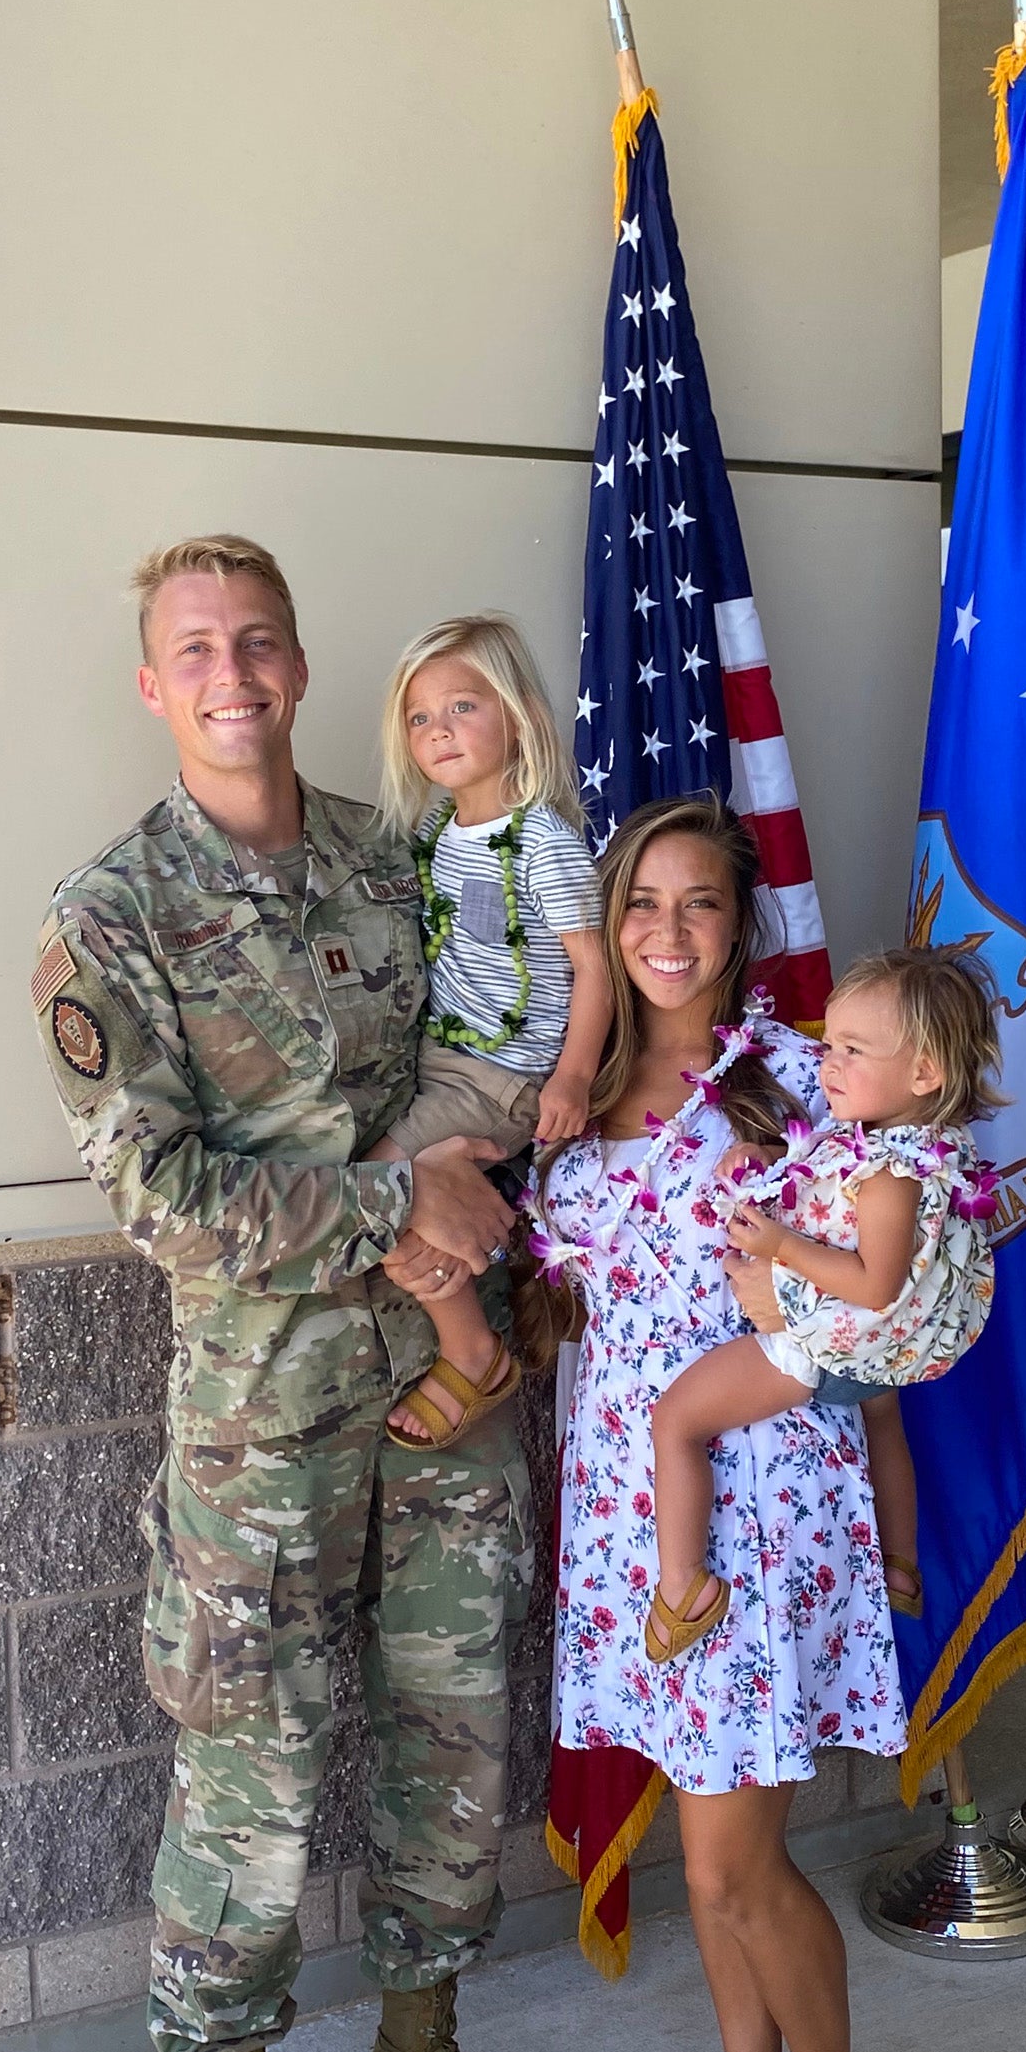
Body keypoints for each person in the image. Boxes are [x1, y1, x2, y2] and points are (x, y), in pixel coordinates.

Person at [32, 535, 576, 2052]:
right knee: (251, 1769)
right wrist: (389, 1204)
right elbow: (157, 1194)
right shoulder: (104, 915)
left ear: (300, 660)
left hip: (448, 1383)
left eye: (258, 639)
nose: (234, 673)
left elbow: (474, 1071)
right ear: (153, 682)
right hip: (265, 1420)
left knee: (454, 1732)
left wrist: (481, 1206)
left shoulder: (389, 854)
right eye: (195, 647)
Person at [529, 796, 903, 2052]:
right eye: (640, 904)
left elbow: (896, 1285)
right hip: (632, 1504)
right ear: (607, 928)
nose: (668, 932)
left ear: (742, 928)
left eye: (699, 904)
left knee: (731, 1859)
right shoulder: (567, 1098)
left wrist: (892, 1483)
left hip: (763, 1503)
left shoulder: (807, 1084)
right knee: (703, 1854)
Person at [646, 946, 1001, 1658]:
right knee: (882, 1420)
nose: (827, 1063)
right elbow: (825, 1177)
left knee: (676, 1420)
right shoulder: (896, 1143)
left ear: (924, 1071)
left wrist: (779, 1247)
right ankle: (899, 1564)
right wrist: (770, 1161)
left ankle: (683, 1586)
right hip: (876, 1359)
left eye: (851, 1049)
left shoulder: (893, 1176)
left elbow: (874, 1282)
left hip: (819, 1345)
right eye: (830, 1044)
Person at [369, 613, 612, 1449]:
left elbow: (595, 966)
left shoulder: (543, 843)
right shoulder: (438, 835)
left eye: (463, 707)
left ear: (519, 716)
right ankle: (463, 1265)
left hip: (502, 1076)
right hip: (442, 1059)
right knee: (395, 1189)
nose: (439, 731)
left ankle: (473, 1352)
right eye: (420, 717)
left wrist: (573, 1075)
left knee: (379, 1186)